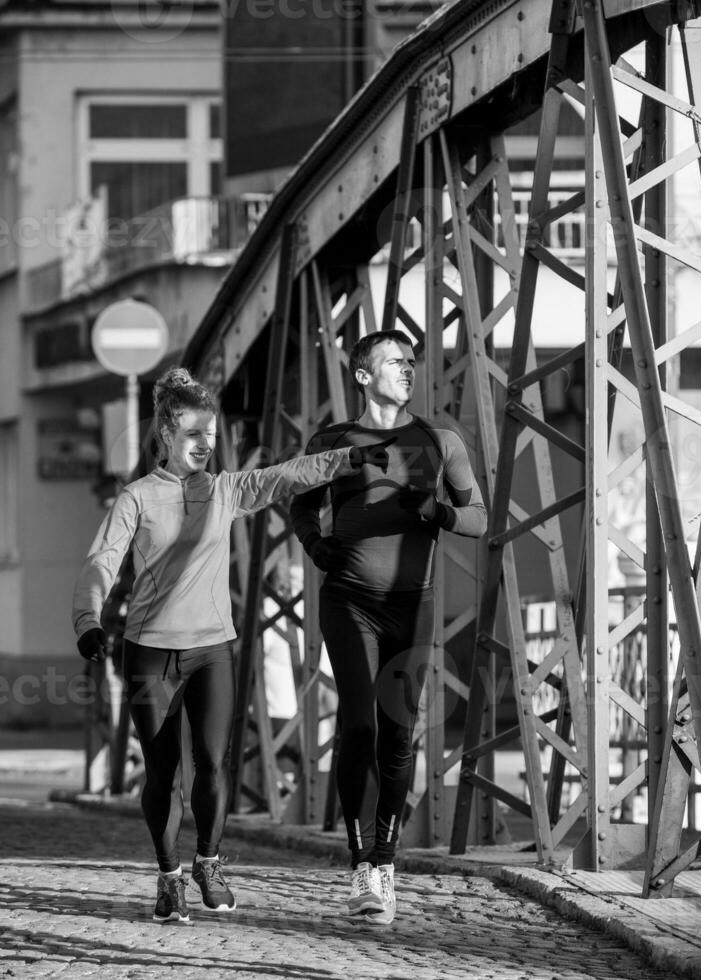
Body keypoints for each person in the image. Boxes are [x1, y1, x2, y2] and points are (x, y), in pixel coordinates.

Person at [72, 366, 393, 924]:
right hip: (151, 652)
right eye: (194, 435)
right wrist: (88, 621)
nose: (205, 446)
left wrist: (346, 460)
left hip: (212, 650)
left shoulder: (225, 490)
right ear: (167, 435)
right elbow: (102, 560)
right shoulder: (137, 498)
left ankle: (209, 862)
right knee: (163, 772)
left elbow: (285, 475)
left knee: (215, 767)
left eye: (212, 438)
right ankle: (169, 877)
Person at [290, 330, 486, 926]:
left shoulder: (438, 440)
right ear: (361, 374)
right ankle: (359, 868)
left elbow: (478, 517)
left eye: (410, 362)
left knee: (397, 736)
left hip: (413, 604)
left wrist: (439, 513)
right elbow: (298, 499)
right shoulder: (332, 441)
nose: (407, 369)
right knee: (356, 726)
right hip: (348, 599)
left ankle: (386, 863)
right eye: (394, 361)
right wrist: (315, 545)